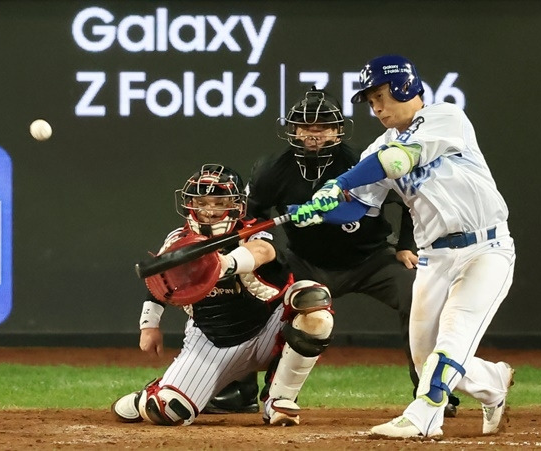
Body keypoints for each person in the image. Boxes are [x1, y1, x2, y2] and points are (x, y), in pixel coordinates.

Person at [289, 55, 515, 438]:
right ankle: (494, 382)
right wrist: (316, 211)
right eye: (369, 99)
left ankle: (425, 417)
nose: (376, 106)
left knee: (452, 338)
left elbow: (397, 160)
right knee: (427, 357)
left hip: (485, 249)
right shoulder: (376, 147)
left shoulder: (447, 117)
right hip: (434, 258)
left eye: (380, 95)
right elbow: (361, 206)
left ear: (405, 87)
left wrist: (337, 183)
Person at [206, 87, 461, 418]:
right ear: (293, 129)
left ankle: (432, 391)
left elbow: (408, 201)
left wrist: (405, 247)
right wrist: (260, 246)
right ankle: (241, 390)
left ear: (338, 129)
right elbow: (253, 216)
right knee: (252, 302)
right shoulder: (272, 168)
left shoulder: (361, 161)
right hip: (305, 263)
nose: (314, 135)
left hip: (371, 260)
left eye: (323, 126)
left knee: (419, 297)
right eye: (307, 127)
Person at [111, 163, 334, 427]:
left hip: (269, 327)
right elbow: (160, 284)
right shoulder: (178, 241)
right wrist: (149, 325)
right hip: (212, 341)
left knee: (314, 303)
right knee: (167, 412)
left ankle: (279, 401)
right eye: (201, 202)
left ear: (236, 204)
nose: (208, 210)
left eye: (219, 202)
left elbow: (262, 251)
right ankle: (148, 396)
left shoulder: (253, 228)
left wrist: (223, 264)